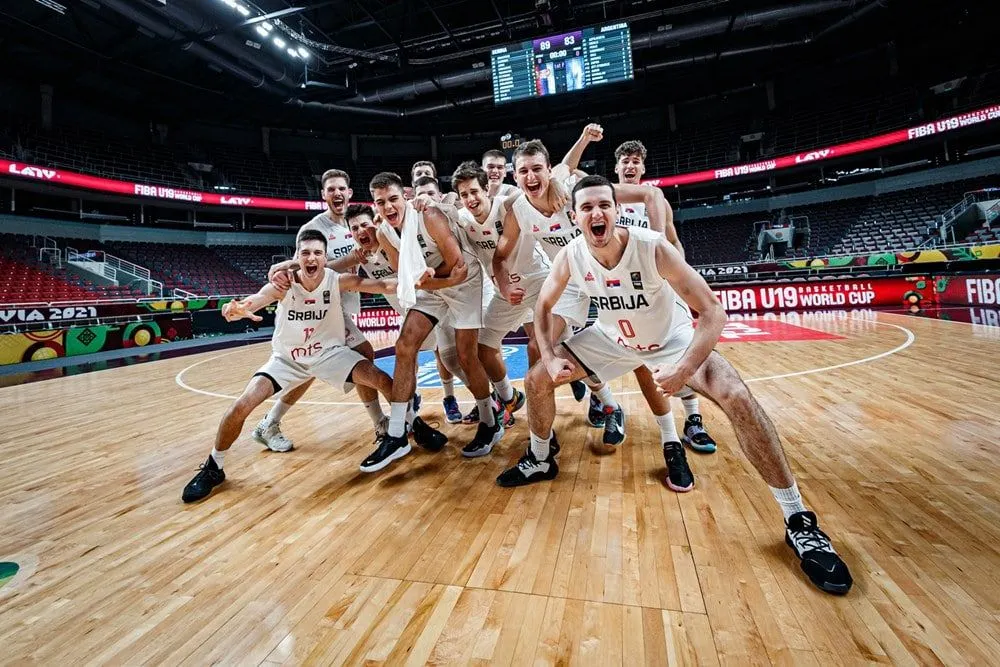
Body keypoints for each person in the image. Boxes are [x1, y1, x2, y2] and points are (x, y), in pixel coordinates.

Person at [496, 175, 853, 595]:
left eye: (603, 205)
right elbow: (543, 305)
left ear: (615, 210)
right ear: (576, 217)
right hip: (614, 341)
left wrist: (684, 368)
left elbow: (713, 313)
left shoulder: (652, 248)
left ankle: (798, 519)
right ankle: (540, 459)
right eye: (587, 207)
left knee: (736, 395)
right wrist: (551, 354)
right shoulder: (572, 255)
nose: (596, 213)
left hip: (671, 340)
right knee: (537, 378)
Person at [181, 231, 404, 503]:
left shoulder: (336, 280)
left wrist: (414, 280)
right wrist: (237, 309)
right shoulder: (283, 285)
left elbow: (382, 286)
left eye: (317, 253)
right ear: (296, 258)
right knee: (241, 406)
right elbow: (255, 300)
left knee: (381, 378)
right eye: (306, 253)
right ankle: (214, 466)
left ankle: (407, 427)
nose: (311, 258)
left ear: (325, 259)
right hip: (287, 359)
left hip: (328, 355)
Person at [492, 139, 666, 447]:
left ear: (549, 170)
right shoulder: (518, 211)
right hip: (571, 279)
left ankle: (669, 427)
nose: (531, 177)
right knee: (539, 348)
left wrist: (660, 244)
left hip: (611, 273)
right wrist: (504, 284)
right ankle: (558, 429)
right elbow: (501, 256)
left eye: (537, 169)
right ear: (514, 177)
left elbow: (649, 193)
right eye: (523, 171)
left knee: (635, 351)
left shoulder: (572, 187)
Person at [562, 127, 719, 462]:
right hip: (617, 287)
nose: (630, 166)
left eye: (635, 161)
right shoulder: (602, 196)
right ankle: (608, 403)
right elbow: (568, 168)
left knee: (676, 352)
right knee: (630, 355)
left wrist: (675, 271)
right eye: (624, 161)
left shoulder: (655, 198)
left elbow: (672, 242)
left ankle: (692, 418)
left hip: (657, 283)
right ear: (616, 168)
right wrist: (586, 138)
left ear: (642, 168)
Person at [370, 171, 505, 463]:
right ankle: (396, 434)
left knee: (467, 356)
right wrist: (431, 282)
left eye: (393, 199)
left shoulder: (428, 216)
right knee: (404, 346)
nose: (389, 207)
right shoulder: (383, 232)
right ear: (375, 206)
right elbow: (406, 276)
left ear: (405, 197)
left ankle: (490, 423)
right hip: (434, 286)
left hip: (466, 283)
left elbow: (459, 267)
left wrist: (431, 281)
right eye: (381, 203)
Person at [257, 169, 382, 454]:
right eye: (331, 189)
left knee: (309, 370)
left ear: (349, 193)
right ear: (323, 195)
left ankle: (269, 423)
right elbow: (304, 269)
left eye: (342, 189)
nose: (337, 194)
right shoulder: (313, 228)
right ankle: (380, 423)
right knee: (364, 355)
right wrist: (279, 269)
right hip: (320, 309)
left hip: (344, 305)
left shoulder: (355, 226)